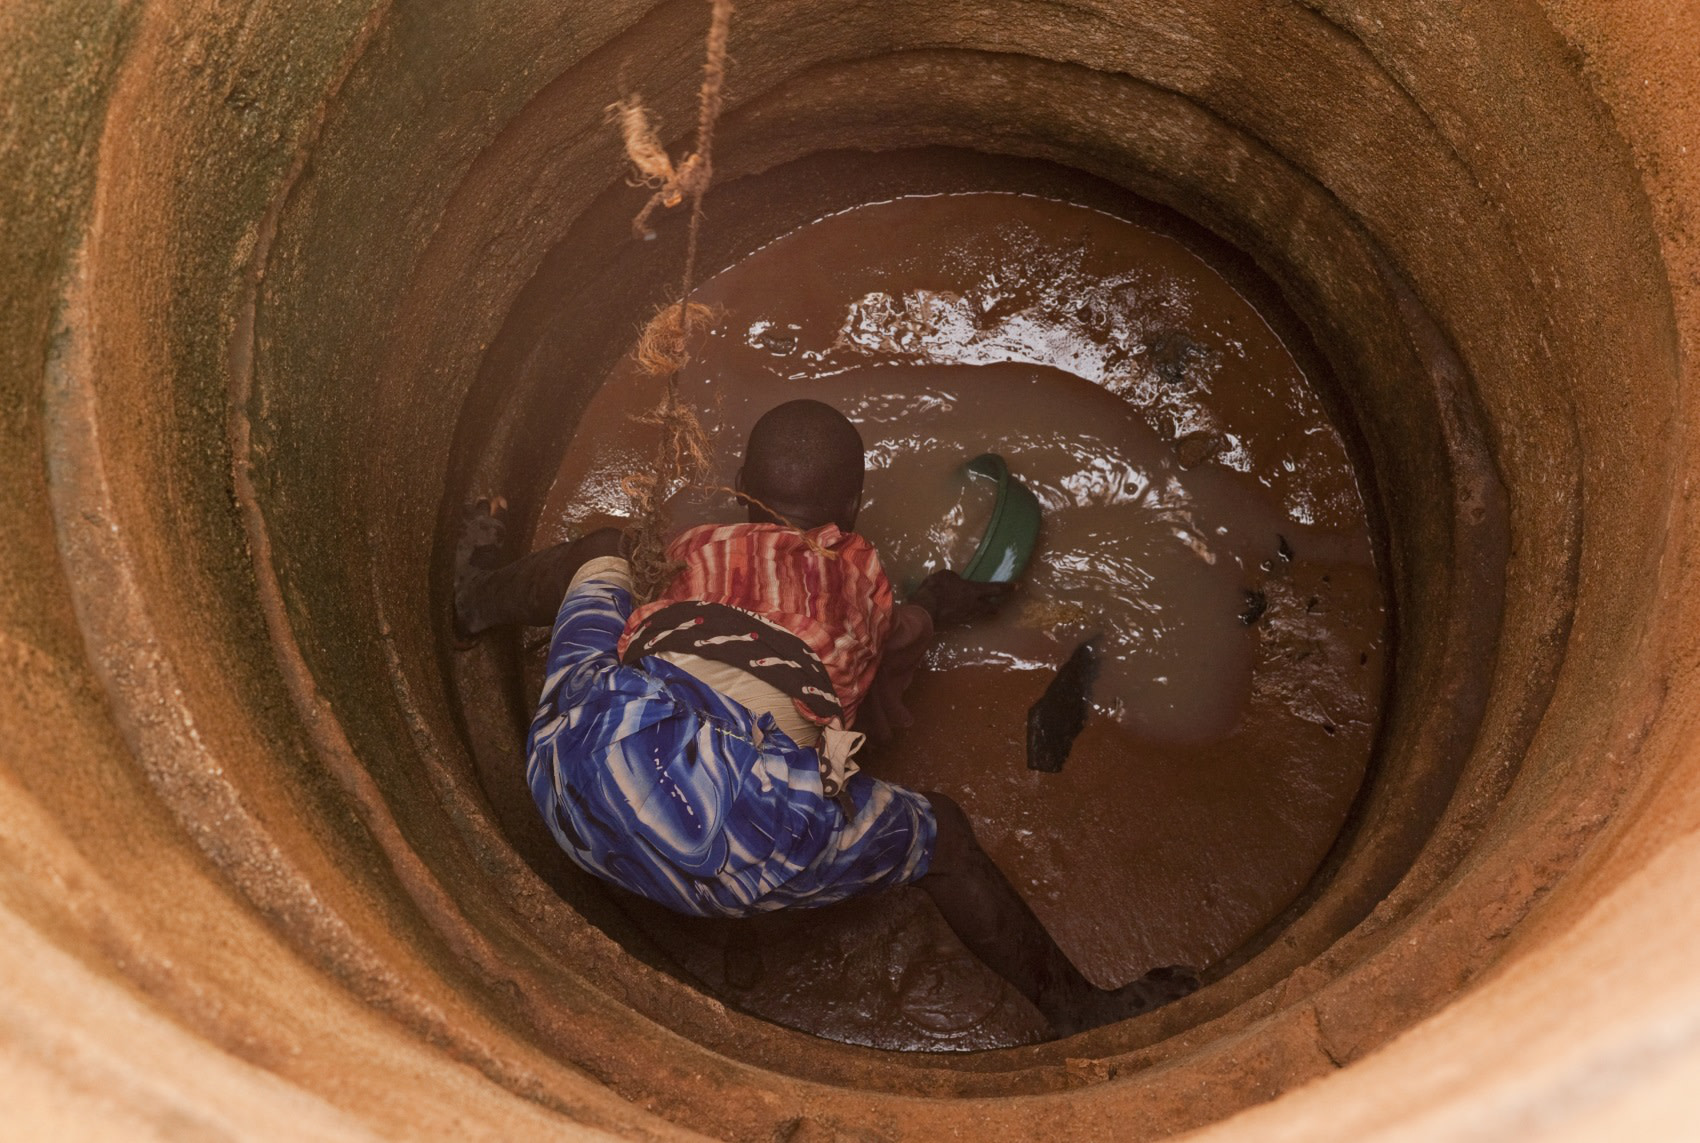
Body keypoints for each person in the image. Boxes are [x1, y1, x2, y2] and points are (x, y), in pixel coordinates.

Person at [455, 399, 1196, 1035]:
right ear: (852, 508)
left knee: (604, 551)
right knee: (945, 836)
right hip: (744, 839)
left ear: (741, 491)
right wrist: (941, 603)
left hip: (568, 773)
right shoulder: (859, 585)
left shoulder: (692, 551)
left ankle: (475, 600)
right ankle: (1077, 1011)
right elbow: (886, 653)